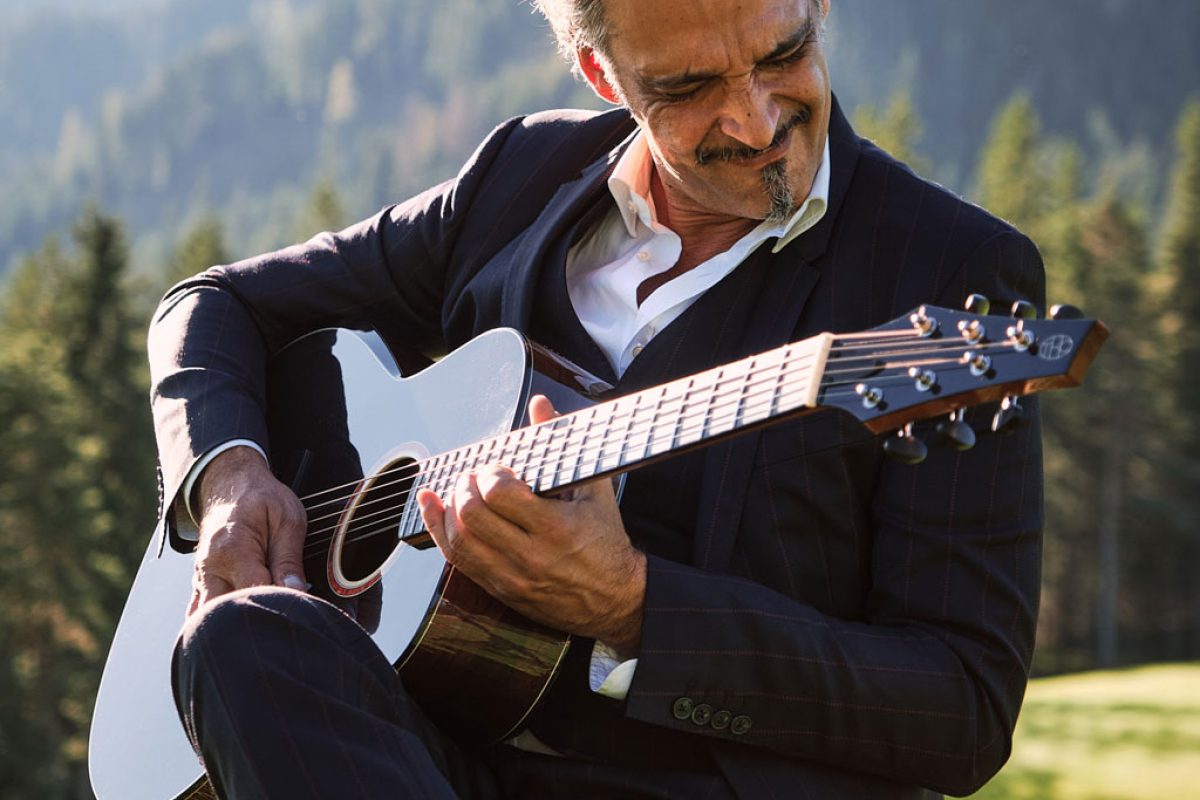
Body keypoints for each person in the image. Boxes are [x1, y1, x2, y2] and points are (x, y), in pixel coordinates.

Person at [148, 0, 1046, 797]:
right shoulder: (524, 174)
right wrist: (227, 480)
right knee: (239, 641)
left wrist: (634, 608)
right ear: (600, 73)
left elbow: (961, 708)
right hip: (425, 759)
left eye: (783, 54)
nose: (755, 117)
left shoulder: (948, 276)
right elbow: (215, 303)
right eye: (689, 85)